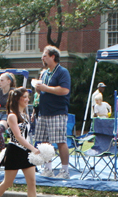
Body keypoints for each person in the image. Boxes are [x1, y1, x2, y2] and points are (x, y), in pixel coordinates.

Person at [0, 87, 49, 197]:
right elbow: (18, 136)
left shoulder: (25, 115)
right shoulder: (12, 116)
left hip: (26, 151)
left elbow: (26, 136)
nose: (27, 99)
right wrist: (33, 148)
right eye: (25, 97)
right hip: (15, 151)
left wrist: (31, 149)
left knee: (32, 181)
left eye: (28, 97)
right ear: (17, 99)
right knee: (8, 182)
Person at [34, 46, 71, 179]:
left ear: (53, 57)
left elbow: (64, 90)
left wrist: (46, 88)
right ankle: (48, 168)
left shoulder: (62, 72)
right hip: (44, 111)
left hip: (57, 112)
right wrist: (39, 89)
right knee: (44, 142)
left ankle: (64, 171)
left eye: (45, 55)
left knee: (60, 141)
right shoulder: (45, 73)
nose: (42, 58)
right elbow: (44, 91)